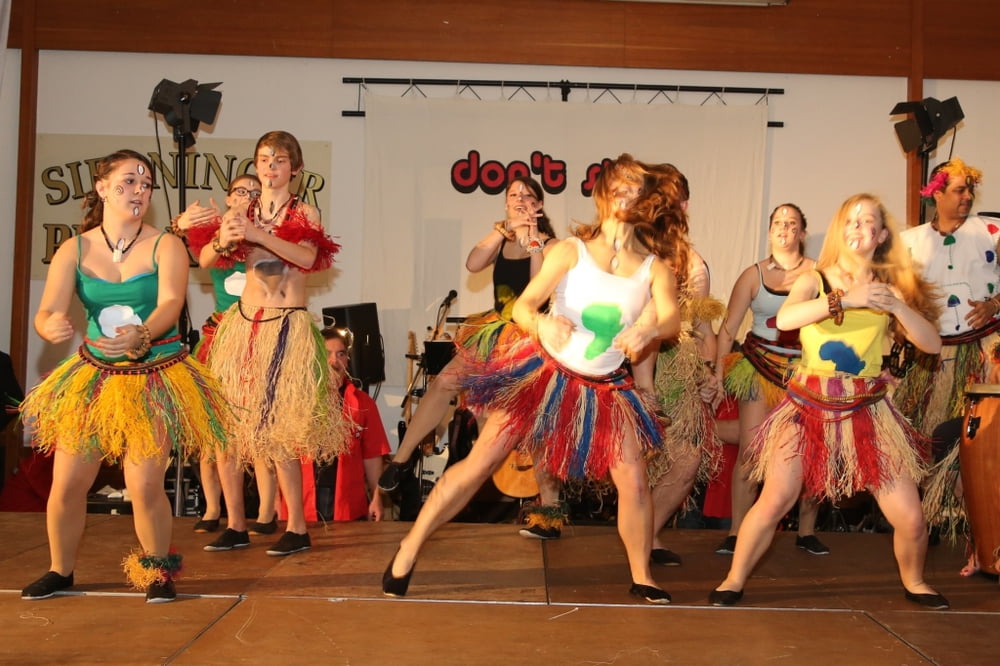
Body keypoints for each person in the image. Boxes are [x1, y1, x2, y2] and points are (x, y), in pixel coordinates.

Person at [381, 154, 685, 604]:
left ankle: (643, 576)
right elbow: (524, 307)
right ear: (603, 194)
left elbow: (672, 319)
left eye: (635, 186)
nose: (626, 191)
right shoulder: (571, 250)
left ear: (644, 197)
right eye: (619, 183)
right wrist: (542, 324)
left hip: (605, 389)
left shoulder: (653, 267)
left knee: (634, 482)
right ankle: (409, 546)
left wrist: (648, 329)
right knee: (479, 464)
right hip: (544, 377)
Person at [710, 193, 948, 609]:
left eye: (868, 222)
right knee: (775, 499)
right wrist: (845, 300)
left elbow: (932, 344)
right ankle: (733, 579)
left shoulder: (889, 288)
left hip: (867, 408)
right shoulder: (814, 279)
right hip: (807, 405)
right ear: (841, 229)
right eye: (851, 221)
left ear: (882, 235)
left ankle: (914, 581)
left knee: (910, 516)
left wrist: (897, 305)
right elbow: (785, 320)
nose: (859, 228)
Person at [19, 149, 229, 603]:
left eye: (146, 183)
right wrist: (49, 325)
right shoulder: (74, 249)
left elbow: (171, 302)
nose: (140, 190)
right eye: (129, 181)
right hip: (94, 376)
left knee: (144, 483)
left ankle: (158, 572)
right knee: (67, 483)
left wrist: (142, 334)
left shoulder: (165, 245)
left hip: (153, 373)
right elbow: (47, 310)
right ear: (102, 188)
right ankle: (60, 570)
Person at [186, 130, 348, 556]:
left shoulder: (304, 211)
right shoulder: (244, 210)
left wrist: (257, 235)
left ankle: (296, 528)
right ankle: (236, 524)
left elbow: (308, 258)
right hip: (242, 325)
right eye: (263, 160)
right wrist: (224, 237)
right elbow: (205, 260)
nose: (270, 167)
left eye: (279, 160)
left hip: (285, 326)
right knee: (229, 429)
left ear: (295, 168)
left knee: (278, 433)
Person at [376, 176, 564, 538]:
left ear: (539, 204)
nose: (520, 200)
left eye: (528, 195)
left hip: (530, 336)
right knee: (444, 381)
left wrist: (532, 238)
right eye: (513, 195)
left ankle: (551, 514)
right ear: (505, 203)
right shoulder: (501, 239)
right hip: (494, 331)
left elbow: (537, 291)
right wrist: (502, 230)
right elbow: (473, 264)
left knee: (538, 427)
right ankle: (401, 460)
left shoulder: (552, 245)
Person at [893, 158, 999, 575]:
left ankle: (986, 544)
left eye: (970, 188)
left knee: (984, 451)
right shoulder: (910, 243)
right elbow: (899, 299)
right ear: (936, 193)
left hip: (985, 354)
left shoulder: (992, 231)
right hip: (935, 359)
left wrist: (994, 303)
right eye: (959, 189)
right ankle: (975, 539)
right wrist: (901, 331)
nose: (968, 196)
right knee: (937, 447)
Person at [712, 204, 829, 556]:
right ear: (769, 231)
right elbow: (728, 329)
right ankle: (736, 532)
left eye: (792, 223)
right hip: (758, 367)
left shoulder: (819, 274)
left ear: (802, 233)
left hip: (805, 372)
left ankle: (806, 532)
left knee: (809, 451)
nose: (784, 228)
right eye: (778, 222)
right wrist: (717, 373)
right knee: (750, 452)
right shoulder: (753, 275)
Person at [173, 174, 278, 535]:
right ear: (229, 197)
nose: (247, 196)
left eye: (255, 192)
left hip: (259, 334)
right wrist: (181, 224)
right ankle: (213, 509)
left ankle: (266, 513)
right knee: (214, 432)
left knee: (260, 432)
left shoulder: (268, 235)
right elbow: (187, 248)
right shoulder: (212, 236)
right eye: (240, 191)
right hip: (220, 338)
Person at [317, 326, 391, 521]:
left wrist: (376, 498)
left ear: (347, 360)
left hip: (347, 502)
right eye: (327, 354)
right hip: (302, 499)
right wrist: (273, 499)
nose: (334, 361)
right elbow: (281, 456)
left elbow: (373, 455)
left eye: (340, 354)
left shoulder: (363, 403)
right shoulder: (295, 401)